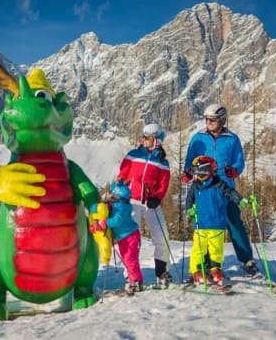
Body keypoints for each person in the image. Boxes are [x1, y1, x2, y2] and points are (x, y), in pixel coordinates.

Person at [183, 104, 259, 276]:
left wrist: (234, 170)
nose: (208, 122)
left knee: (234, 223)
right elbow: (189, 161)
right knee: (206, 227)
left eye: (212, 120)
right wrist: (187, 172)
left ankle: (247, 259)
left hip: (224, 188)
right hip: (204, 188)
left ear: (222, 120)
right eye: (206, 119)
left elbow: (239, 162)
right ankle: (207, 264)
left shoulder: (232, 139)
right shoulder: (198, 138)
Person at [117, 123, 173, 287]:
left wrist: (157, 197)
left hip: (150, 204)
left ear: (156, 140)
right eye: (143, 136)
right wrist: (120, 194)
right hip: (131, 202)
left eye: (147, 137)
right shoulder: (133, 155)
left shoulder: (162, 162)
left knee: (161, 236)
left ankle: (162, 272)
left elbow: (163, 184)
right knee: (131, 240)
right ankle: (131, 276)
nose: (143, 140)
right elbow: (122, 176)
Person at [185, 155, 249, 286]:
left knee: (216, 250)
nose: (196, 174)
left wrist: (241, 200)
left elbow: (231, 193)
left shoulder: (219, 185)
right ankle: (196, 271)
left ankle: (215, 270)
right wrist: (189, 209)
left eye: (198, 171)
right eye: (195, 171)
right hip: (201, 224)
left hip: (217, 224)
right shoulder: (196, 186)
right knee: (198, 249)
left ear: (207, 171)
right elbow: (189, 200)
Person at [100, 180, 144, 295]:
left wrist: (105, 223)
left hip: (130, 236)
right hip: (123, 238)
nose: (111, 196)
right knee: (127, 259)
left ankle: (135, 281)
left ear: (118, 197)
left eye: (113, 195)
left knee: (130, 259)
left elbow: (116, 221)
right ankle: (133, 280)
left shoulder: (122, 207)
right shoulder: (116, 204)